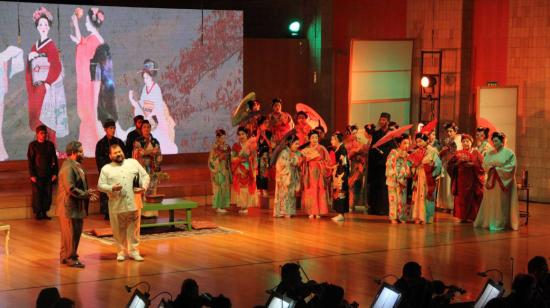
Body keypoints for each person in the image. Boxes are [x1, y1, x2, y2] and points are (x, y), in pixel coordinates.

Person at [98, 144, 150, 261]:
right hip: (117, 204)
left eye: (120, 151)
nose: (118, 154)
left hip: (134, 202)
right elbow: (100, 185)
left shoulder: (133, 163)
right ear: (110, 156)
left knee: (134, 229)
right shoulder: (106, 169)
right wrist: (111, 188)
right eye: (115, 153)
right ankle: (121, 251)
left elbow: (145, 176)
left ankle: (134, 251)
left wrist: (144, 188)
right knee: (118, 229)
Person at [26, 7, 69, 144]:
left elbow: (55, 66)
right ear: (37, 27)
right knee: (39, 116)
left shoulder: (51, 45)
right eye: (40, 24)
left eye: (45, 24)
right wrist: (30, 58)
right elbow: (30, 70)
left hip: (48, 87)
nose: (43, 27)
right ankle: (40, 143)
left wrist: (48, 82)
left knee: (49, 116)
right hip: (37, 87)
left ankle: (52, 146)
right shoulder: (34, 46)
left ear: (49, 27)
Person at [56, 141, 97, 268]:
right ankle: (71, 258)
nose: (83, 154)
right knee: (72, 234)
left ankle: (65, 256)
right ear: (73, 153)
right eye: (80, 151)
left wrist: (87, 193)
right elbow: (71, 188)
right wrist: (86, 194)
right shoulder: (68, 167)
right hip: (69, 207)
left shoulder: (75, 165)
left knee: (69, 235)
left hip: (73, 207)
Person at [71, 7, 105, 156]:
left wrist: (75, 22)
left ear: (91, 22)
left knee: (91, 111)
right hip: (94, 80)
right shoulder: (95, 38)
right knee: (89, 112)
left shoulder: (95, 40)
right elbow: (82, 42)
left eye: (86, 21)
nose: (85, 23)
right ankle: (88, 146)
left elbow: (81, 43)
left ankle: (93, 147)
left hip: (93, 82)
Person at [129, 59, 178, 154]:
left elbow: (157, 107)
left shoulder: (156, 88)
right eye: (144, 78)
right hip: (146, 115)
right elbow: (142, 104)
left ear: (151, 77)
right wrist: (133, 101)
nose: (145, 80)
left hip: (156, 118)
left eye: (147, 78)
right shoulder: (144, 88)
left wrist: (146, 109)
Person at [474, 132, 519, 231]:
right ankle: (489, 220)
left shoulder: (509, 153)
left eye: (496, 141)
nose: (494, 143)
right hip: (491, 180)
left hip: (503, 181)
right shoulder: (490, 153)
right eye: (493, 141)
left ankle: (500, 222)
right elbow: (485, 164)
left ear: (502, 142)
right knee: (490, 201)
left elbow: (512, 167)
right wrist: (490, 168)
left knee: (501, 202)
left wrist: (497, 170)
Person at [447, 134, 484, 223]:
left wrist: (473, 165)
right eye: (463, 141)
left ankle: (471, 217)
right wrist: (457, 163)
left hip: (473, 179)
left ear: (471, 142)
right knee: (461, 198)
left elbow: (482, 166)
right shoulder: (457, 153)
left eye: (467, 141)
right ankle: (462, 216)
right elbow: (450, 166)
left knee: (472, 198)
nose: (465, 143)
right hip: (460, 180)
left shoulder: (476, 153)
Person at [408, 133, 442, 224]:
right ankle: (417, 216)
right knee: (417, 194)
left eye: (421, 141)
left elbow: (438, 164)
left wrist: (432, 170)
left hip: (428, 176)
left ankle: (426, 217)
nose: (419, 144)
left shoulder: (433, 151)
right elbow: (411, 164)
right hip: (418, 175)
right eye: (417, 142)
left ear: (427, 141)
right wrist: (414, 166)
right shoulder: (416, 152)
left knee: (427, 194)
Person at [95, 119, 125, 220]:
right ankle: (107, 213)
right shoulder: (100, 143)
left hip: (119, 171)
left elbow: (125, 157)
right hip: (107, 172)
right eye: (111, 128)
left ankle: (120, 210)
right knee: (107, 192)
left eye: (114, 128)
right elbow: (99, 160)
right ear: (105, 129)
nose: (113, 130)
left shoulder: (119, 142)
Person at [28, 125, 58, 220]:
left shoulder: (50, 145)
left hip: (48, 175)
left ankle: (44, 213)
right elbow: (30, 161)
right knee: (37, 194)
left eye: (45, 133)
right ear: (37, 134)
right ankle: (38, 214)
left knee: (47, 194)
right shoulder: (33, 145)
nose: (44, 135)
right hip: (37, 175)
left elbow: (54, 160)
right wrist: (32, 174)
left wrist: (55, 173)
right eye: (41, 133)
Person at [133, 120, 162, 217]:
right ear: (141, 129)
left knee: (152, 189)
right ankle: (143, 213)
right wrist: (150, 152)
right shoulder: (138, 141)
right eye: (144, 127)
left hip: (152, 167)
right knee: (143, 188)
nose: (146, 129)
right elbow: (138, 153)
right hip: (142, 167)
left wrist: (156, 156)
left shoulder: (155, 141)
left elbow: (159, 155)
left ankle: (153, 212)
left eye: (148, 127)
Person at [367, 112, 395, 215]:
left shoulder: (391, 134)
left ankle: (384, 209)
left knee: (384, 187)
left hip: (385, 164)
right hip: (376, 165)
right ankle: (374, 208)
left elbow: (392, 148)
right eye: (381, 119)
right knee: (375, 186)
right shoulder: (376, 133)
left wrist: (385, 153)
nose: (381, 121)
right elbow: (372, 148)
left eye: (384, 120)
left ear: (388, 121)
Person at [301, 130, 330, 219]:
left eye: (316, 137)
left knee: (319, 189)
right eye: (312, 137)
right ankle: (310, 211)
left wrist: (321, 163)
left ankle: (319, 211)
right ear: (309, 139)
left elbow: (328, 161)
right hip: (309, 171)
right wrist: (306, 160)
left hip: (319, 171)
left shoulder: (322, 148)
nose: (315, 139)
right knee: (310, 190)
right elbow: (301, 161)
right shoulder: (306, 150)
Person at [274, 135, 302, 218]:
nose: (297, 146)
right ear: (290, 143)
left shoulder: (297, 153)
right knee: (284, 194)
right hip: (285, 177)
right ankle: (283, 211)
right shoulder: (284, 152)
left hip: (292, 175)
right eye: (296, 144)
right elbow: (280, 165)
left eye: (298, 144)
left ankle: (290, 210)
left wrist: (298, 163)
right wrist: (291, 161)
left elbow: (297, 163)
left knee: (291, 194)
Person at [436, 122, 462, 212]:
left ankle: (452, 205)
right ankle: (445, 205)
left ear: (455, 131)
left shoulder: (459, 140)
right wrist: (443, 151)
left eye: (451, 131)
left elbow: (459, 152)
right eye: (448, 131)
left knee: (451, 185)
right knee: (445, 185)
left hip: (454, 164)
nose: (449, 133)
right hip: (446, 163)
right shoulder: (447, 140)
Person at [386, 135, 411, 224]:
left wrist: (407, 171)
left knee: (402, 199)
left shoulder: (407, 155)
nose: (406, 145)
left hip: (402, 178)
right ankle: (393, 217)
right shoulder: (393, 152)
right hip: (394, 178)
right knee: (393, 199)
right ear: (399, 143)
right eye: (404, 143)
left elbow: (408, 166)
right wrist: (394, 172)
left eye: (408, 143)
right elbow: (389, 163)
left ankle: (400, 216)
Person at [231, 127, 257, 213]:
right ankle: (242, 205)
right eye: (239, 134)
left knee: (247, 187)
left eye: (243, 134)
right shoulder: (235, 146)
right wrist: (238, 159)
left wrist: (250, 158)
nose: (241, 136)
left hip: (248, 168)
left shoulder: (251, 145)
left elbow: (254, 156)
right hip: (239, 168)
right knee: (241, 187)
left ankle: (245, 206)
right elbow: (232, 158)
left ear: (247, 135)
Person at [208, 129, 231, 213]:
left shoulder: (227, 146)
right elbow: (211, 160)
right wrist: (218, 159)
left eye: (224, 138)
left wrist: (227, 157)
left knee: (225, 187)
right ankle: (218, 206)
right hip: (218, 170)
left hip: (225, 169)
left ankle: (223, 205)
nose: (223, 139)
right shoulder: (214, 147)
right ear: (217, 138)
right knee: (218, 187)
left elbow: (229, 157)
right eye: (222, 138)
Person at [330, 131, 350, 222]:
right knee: (337, 193)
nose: (331, 141)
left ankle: (341, 214)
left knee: (341, 193)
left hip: (341, 175)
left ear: (337, 139)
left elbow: (343, 163)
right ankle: (339, 213)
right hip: (338, 173)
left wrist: (338, 171)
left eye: (332, 139)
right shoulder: (338, 148)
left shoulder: (342, 149)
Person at [256, 116, 272, 199]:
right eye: (265, 123)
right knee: (257, 172)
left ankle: (264, 189)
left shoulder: (269, 133)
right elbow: (253, 145)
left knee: (264, 173)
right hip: (256, 155)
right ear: (260, 124)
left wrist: (265, 136)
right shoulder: (255, 132)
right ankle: (259, 189)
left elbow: (271, 146)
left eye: (267, 123)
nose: (266, 125)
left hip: (265, 155)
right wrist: (258, 135)